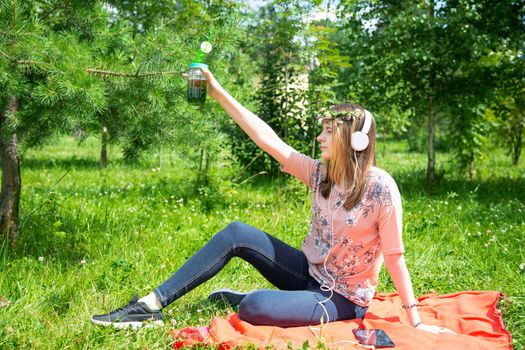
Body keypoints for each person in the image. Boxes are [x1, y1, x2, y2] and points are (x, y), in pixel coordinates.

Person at [90, 68, 455, 335]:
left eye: (329, 132)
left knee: (254, 306)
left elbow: (395, 257)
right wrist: (216, 91)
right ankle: (149, 306)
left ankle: (252, 298)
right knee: (236, 232)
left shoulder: (381, 189)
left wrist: (415, 319)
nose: (319, 138)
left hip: (343, 298)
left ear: (355, 141)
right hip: (307, 274)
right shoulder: (318, 174)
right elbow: (266, 138)